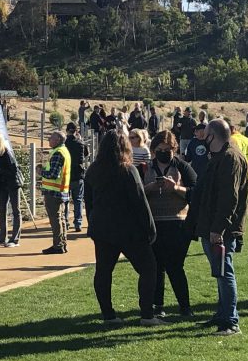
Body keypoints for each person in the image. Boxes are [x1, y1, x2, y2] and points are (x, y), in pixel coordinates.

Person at [83, 132, 165, 327]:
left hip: (103, 230)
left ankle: (108, 314)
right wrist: (150, 229)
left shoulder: (93, 170)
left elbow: (88, 202)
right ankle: (147, 314)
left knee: (103, 271)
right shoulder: (128, 170)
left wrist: (93, 223)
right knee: (148, 268)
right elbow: (140, 202)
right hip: (129, 231)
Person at [186, 119, 248, 337]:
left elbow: (228, 198)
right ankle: (222, 314)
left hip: (220, 227)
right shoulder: (222, 156)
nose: (202, 138)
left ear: (213, 135)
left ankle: (230, 321)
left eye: (206, 134)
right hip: (212, 224)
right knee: (220, 272)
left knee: (224, 272)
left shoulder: (230, 158)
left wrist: (218, 228)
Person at [144, 131, 198, 318]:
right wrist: (149, 189)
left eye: (167, 149)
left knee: (175, 267)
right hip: (154, 225)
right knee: (156, 267)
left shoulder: (183, 167)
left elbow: (196, 192)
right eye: (159, 150)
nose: (163, 153)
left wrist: (175, 188)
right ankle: (158, 306)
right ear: (153, 150)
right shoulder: (145, 168)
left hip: (178, 224)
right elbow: (134, 193)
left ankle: (185, 307)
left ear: (174, 149)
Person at [39, 131, 71, 254]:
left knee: (55, 218)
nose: (49, 140)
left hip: (54, 191)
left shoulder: (58, 153)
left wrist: (41, 171)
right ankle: (62, 243)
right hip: (61, 190)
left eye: (51, 138)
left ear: (58, 139)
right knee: (60, 218)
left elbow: (53, 174)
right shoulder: (64, 151)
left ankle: (58, 245)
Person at [0, 133, 22, 247]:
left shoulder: (7, 153)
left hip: (13, 184)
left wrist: (1, 170)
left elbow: (14, 171)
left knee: (15, 210)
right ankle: (2, 238)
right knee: (2, 210)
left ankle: (15, 239)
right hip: (2, 185)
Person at [64, 122, 87, 232]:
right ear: (76, 131)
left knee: (65, 200)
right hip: (78, 174)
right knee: (78, 200)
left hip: (66, 174)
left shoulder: (64, 143)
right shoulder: (80, 143)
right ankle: (78, 223)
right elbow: (86, 154)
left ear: (67, 130)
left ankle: (65, 221)